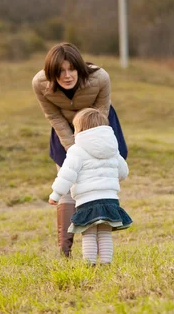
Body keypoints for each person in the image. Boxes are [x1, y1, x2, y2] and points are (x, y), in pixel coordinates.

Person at [33, 42, 127, 257]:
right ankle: (64, 250)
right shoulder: (39, 84)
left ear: (79, 67)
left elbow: (101, 112)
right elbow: (54, 116)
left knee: (97, 178)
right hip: (64, 131)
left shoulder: (100, 78)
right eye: (60, 71)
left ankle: (101, 227)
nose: (67, 76)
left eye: (71, 69)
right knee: (67, 183)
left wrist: (91, 145)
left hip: (99, 128)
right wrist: (74, 149)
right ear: (51, 74)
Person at [49, 108, 132, 265]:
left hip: (87, 201)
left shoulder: (77, 150)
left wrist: (56, 194)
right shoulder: (113, 149)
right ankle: (106, 264)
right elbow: (123, 172)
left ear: (79, 129)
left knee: (89, 234)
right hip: (110, 200)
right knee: (104, 234)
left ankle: (90, 265)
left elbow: (66, 175)